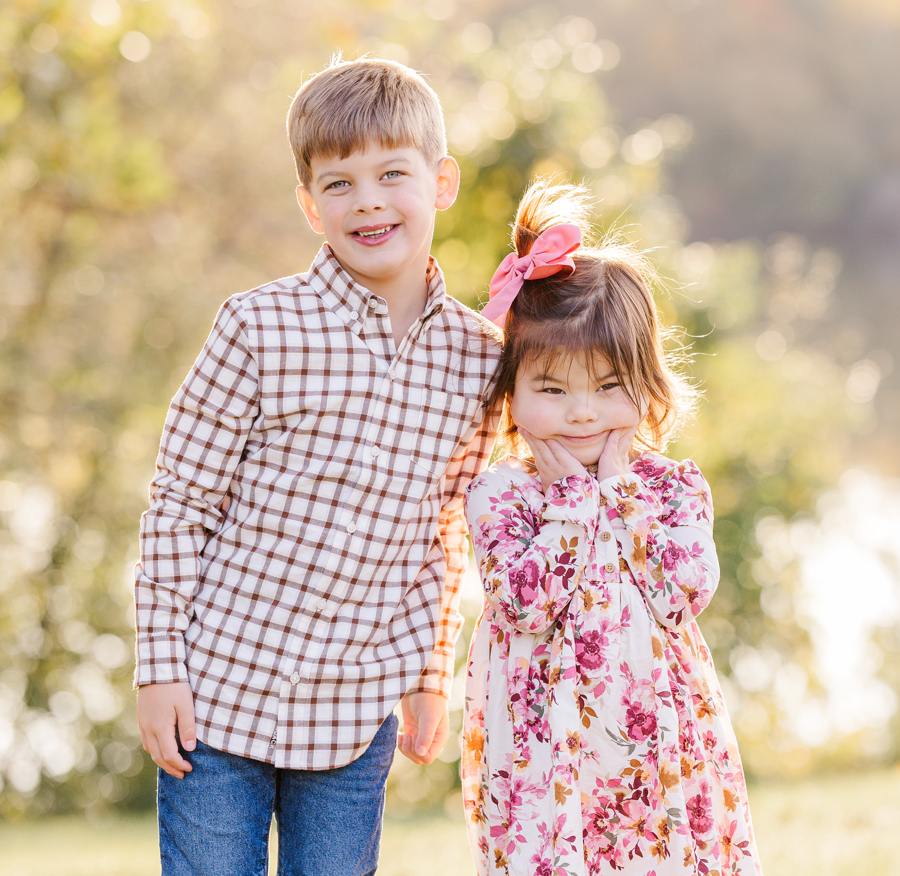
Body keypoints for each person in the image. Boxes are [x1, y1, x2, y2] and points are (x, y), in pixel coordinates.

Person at [134, 56, 500, 876]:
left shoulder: (480, 360)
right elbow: (180, 504)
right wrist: (158, 668)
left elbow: (442, 534)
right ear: (309, 206)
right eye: (339, 184)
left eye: (392, 174)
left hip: (351, 712)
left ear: (441, 183)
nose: (367, 200)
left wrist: (428, 672)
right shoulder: (257, 327)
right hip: (217, 698)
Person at [461, 180, 763, 875]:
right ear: (512, 390)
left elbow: (682, 592)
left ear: (645, 381)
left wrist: (618, 490)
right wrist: (572, 497)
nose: (581, 414)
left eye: (606, 387)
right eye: (552, 389)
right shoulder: (503, 496)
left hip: (657, 741)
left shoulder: (670, 487)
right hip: (546, 753)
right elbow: (526, 604)